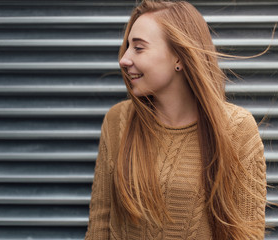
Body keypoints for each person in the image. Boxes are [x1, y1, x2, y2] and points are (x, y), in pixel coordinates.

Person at [85, 0, 266, 239]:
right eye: (127, 46)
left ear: (179, 57)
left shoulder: (236, 128)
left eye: (139, 48)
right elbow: (99, 226)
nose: (124, 59)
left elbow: (246, 234)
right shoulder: (118, 120)